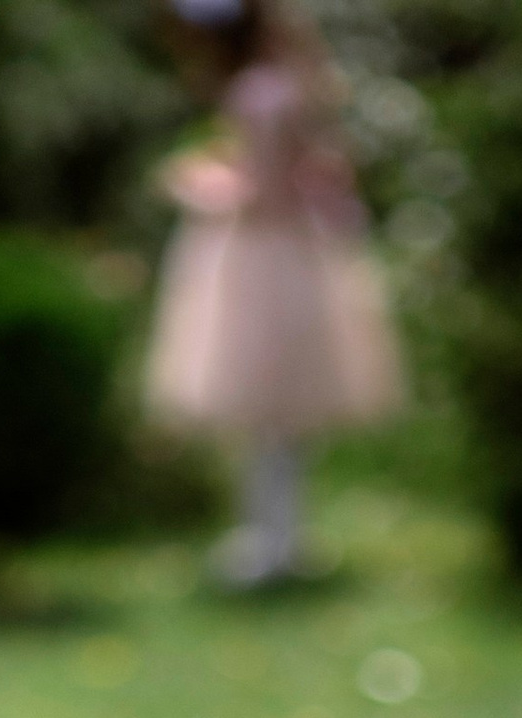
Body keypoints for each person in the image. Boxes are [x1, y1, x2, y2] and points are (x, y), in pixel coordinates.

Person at [144, 0, 404, 588]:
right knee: (283, 417)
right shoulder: (295, 86)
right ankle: (277, 538)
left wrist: (194, 186)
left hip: (260, 262)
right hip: (296, 258)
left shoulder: (260, 93)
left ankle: (270, 545)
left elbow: (261, 196)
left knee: (265, 411)